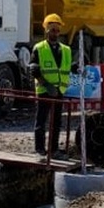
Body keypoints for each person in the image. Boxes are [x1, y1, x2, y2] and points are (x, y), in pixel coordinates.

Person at [30, 13, 79, 159]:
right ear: (46, 30)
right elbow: (34, 69)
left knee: (56, 122)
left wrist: (75, 67)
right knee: (41, 121)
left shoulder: (66, 49)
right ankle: (40, 150)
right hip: (45, 90)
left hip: (59, 90)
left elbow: (65, 68)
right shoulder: (39, 48)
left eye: (58, 30)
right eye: (53, 30)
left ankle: (54, 150)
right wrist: (46, 85)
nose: (56, 33)